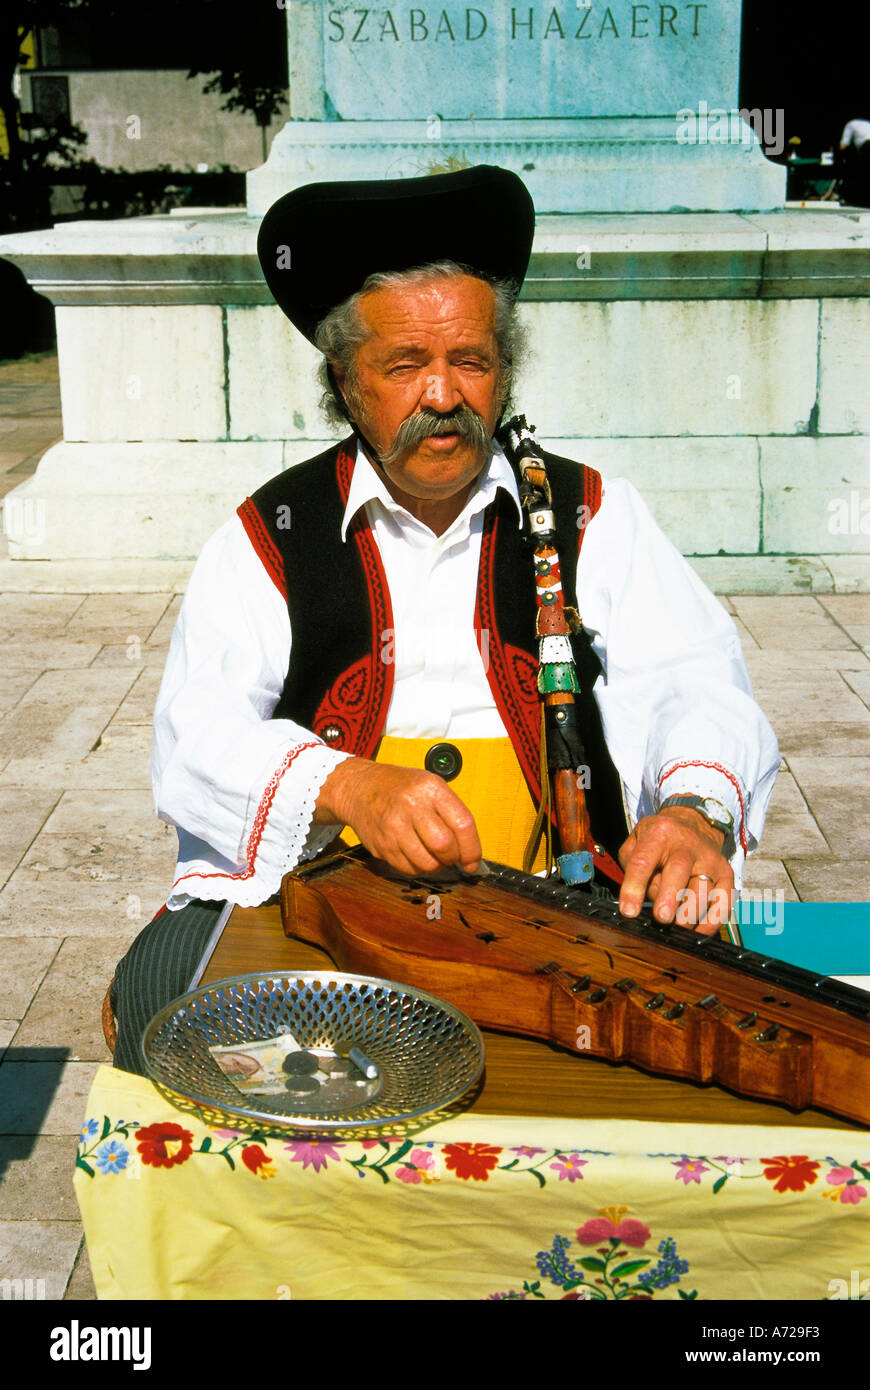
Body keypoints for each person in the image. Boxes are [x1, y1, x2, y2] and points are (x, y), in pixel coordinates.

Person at [109, 165, 779, 1074]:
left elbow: (691, 674)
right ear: (345, 382)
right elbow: (197, 732)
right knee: (175, 1038)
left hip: (557, 905)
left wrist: (697, 809)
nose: (443, 394)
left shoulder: (591, 513)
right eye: (404, 366)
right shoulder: (271, 536)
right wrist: (348, 786)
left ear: (504, 371)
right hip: (330, 906)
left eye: (470, 360)